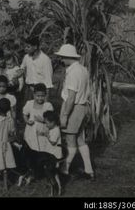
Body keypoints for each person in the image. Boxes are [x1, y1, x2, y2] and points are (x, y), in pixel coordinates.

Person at [55, 44, 95, 181]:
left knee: (70, 140)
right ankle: (89, 170)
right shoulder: (83, 69)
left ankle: (64, 170)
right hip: (83, 106)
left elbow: (71, 97)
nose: (60, 58)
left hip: (74, 108)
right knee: (79, 139)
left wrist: (65, 115)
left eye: (61, 56)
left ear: (67, 57)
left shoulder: (73, 73)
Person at [22, 83, 54, 180]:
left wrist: (43, 120)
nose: (40, 98)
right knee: (32, 152)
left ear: (45, 95)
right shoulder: (29, 103)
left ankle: (42, 170)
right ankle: (31, 171)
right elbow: (24, 114)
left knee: (42, 151)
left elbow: (52, 120)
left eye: (42, 96)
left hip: (42, 133)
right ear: (34, 94)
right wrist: (27, 121)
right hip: (31, 133)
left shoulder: (48, 105)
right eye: (38, 96)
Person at [36, 111, 63, 196]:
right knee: (54, 173)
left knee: (49, 173)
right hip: (53, 155)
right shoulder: (54, 129)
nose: (46, 125)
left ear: (53, 122)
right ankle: (59, 188)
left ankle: (53, 189)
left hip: (53, 156)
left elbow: (53, 142)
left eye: (47, 123)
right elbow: (49, 135)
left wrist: (47, 136)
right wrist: (43, 134)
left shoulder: (56, 131)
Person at [21, 36, 53, 102]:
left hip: (40, 93)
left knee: (39, 111)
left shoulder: (45, 60)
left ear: (35, 47)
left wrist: (46, 102)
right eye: (25, 47)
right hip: (28, 90)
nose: (25, 49)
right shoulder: (26, 57)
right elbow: (22, 68)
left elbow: (48, 82)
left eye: (28, 47)